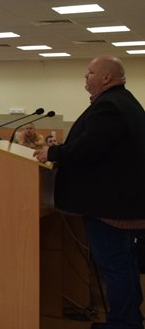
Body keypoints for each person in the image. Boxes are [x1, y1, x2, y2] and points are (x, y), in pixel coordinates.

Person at [33, 55, 145, 328]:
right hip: (122, 202)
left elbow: (88, 148)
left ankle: (123, 323)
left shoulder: (110, 106)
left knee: (115, 264)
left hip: (109, 206)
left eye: (90, 72)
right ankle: (129, 318)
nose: (85, 76)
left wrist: (53, 152)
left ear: (106, 78)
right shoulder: (126, 102)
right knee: (124, 262)